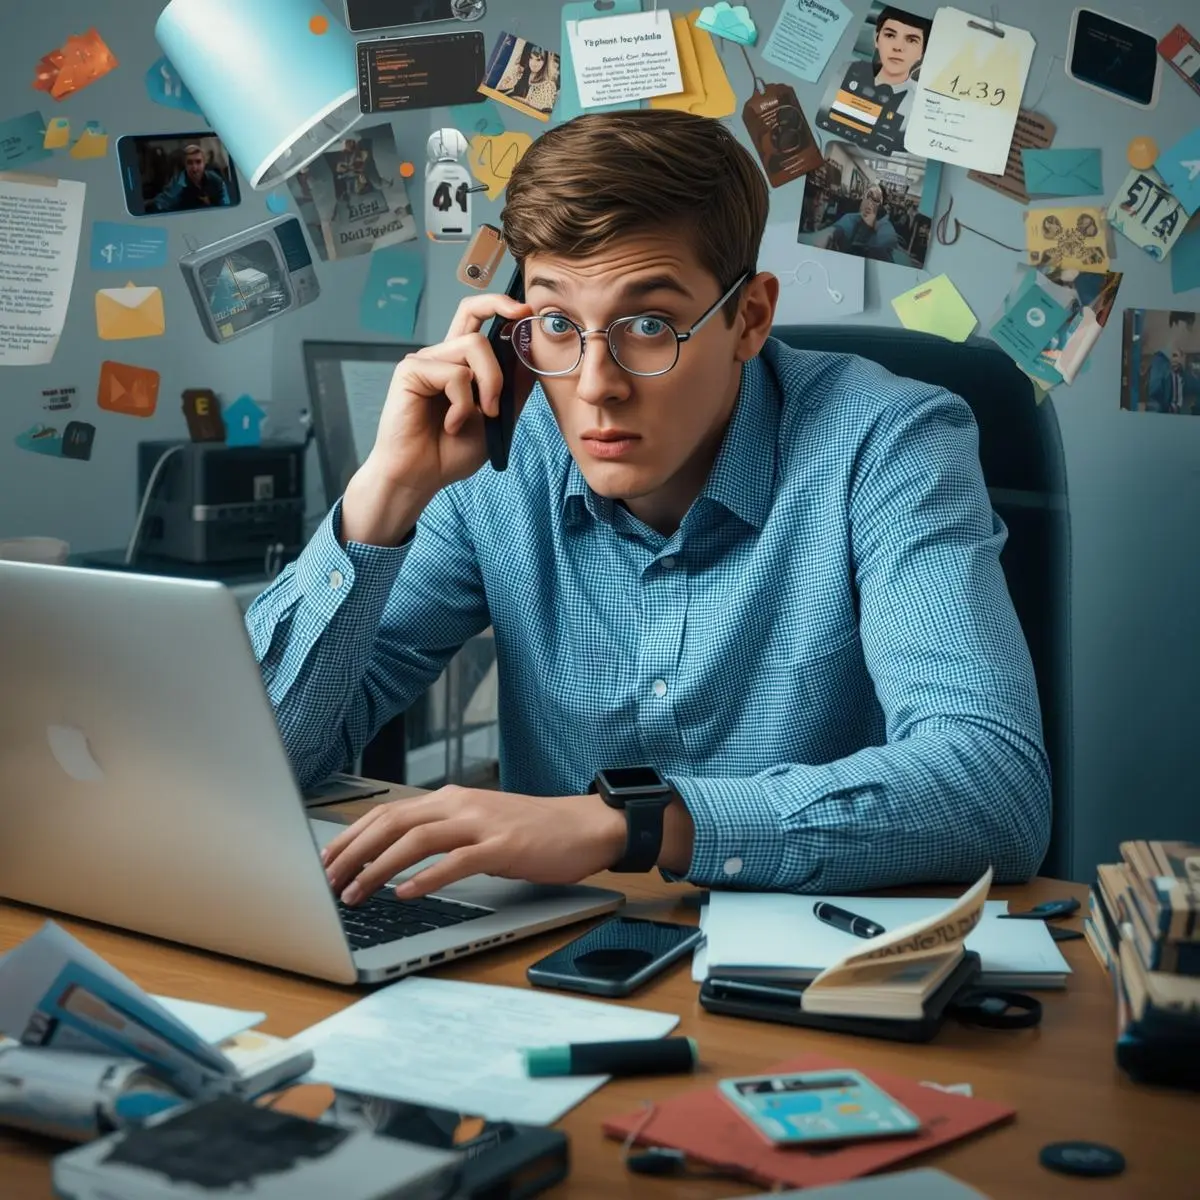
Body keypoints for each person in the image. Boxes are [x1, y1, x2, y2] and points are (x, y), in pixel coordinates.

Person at [245, 109, 1049, 906]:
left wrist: (632, 825)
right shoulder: (501, 452)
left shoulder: (890, 442)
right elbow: (253, 762)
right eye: (557, 323)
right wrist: (386, 491)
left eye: (651, 324)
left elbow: (993, 786)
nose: (596, 384)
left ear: (750, 318)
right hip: (542, 964)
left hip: (818, 976)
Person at [817, 185, 899, 261]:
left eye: (875, 200)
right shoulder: (853, 216)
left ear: (881, 205)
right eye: (867, 197)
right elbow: (840, 227)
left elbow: (887, 245)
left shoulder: (885, 229)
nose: (869, 203)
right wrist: (829, 233)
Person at [147, 143, 230, 212]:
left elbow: (226, 206)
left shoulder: (216, 180)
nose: (194, 168)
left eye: (198, 162)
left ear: (204, 163)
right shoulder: (177, 186)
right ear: (185, 165)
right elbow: (159, 205)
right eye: (190, 163)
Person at [1147, 312, 1199, 414]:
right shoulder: (1160, 361)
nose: (1190, 332)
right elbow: (1153, 401)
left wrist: (1184, 370)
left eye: (1191, 326)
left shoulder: (1183, 360)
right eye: (1187, 326)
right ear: (1176, 324)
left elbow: (1195, 388)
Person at [497, 40, 559, 115]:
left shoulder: (548, 85)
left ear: (546, 62)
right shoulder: (522, 72)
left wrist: (512, 97)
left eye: (538, 60)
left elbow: (539, 111)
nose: (533, 63)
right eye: (530, 57)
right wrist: (506, 86)